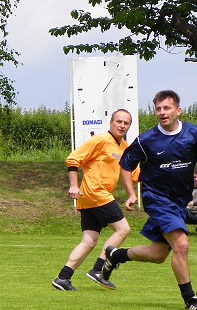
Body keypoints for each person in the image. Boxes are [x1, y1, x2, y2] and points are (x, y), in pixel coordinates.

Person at [104, 90, 197, 310]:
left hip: (179, 202)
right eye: (158, 108)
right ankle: (190, 300)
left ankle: (116, 254)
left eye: (166, 108)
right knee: (182, 244)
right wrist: (131, 193)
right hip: (156, 198)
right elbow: (125, 165)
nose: (162, 112)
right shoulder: (146, 140)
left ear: (178, 110)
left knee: (158, 254)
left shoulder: (195, 135)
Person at [52, 109, 136, 291]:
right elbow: (73, 160)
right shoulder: (99, 140)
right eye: (118, 121)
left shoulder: (125, 148)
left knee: (89, 241)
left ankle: (63, 278)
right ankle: (98, 270)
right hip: (95, 192)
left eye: (126, 123)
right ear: (111, 123)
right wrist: (74, 185)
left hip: (91, 198)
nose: (122, 125)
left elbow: (134, 174)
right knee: (123, 229)